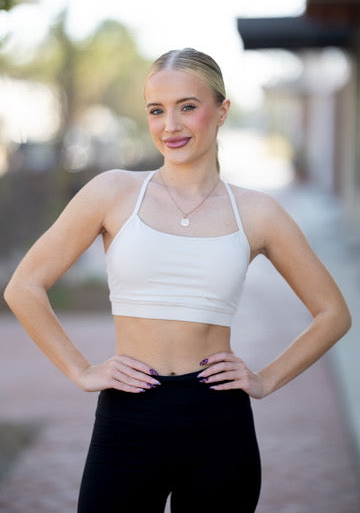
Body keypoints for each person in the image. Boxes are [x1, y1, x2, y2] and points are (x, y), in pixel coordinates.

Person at [4, 47, 351, 513]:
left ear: (222, 111)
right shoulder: (113, 192)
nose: (170, 126)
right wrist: (81, 369)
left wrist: (266, 379)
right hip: (128, 415)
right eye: (156, 110)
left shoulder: (258, 212)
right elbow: (23, 286)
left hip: (218, 422)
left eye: (187, 106)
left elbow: (333, 314)